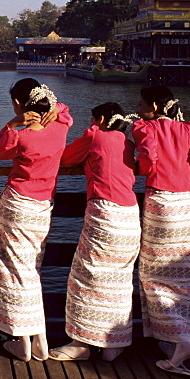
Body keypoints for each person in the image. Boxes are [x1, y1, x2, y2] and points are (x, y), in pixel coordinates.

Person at [133, 85, 190, 376]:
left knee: (154, 273)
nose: (138, 105)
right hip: (187, 203)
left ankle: (177, 339)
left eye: (141, 102)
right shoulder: (189, 128)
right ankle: (178, 337)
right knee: (184, 275)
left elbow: (147, 154)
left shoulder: (144, 126)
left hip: (161, 201)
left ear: (154, 107)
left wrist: (147, 167)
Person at [0, 78, 73, 362]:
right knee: (32, 270)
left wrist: (12, 123)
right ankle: (40, 338)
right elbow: (65, 110)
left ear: (20, 105)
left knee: (14, 272)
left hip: (17, 206)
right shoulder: (60, 126)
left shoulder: (21, 138)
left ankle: (22, 339)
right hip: (43, 207)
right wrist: (56, 110)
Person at [49, 102, 138, 363]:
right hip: (130, 215)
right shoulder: (127, 141)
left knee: (86, 276)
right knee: (118, 281)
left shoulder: (95, 135)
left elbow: (66, 158)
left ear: (99, 119)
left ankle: (81, 342)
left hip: (104, 212)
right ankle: (114, 343)